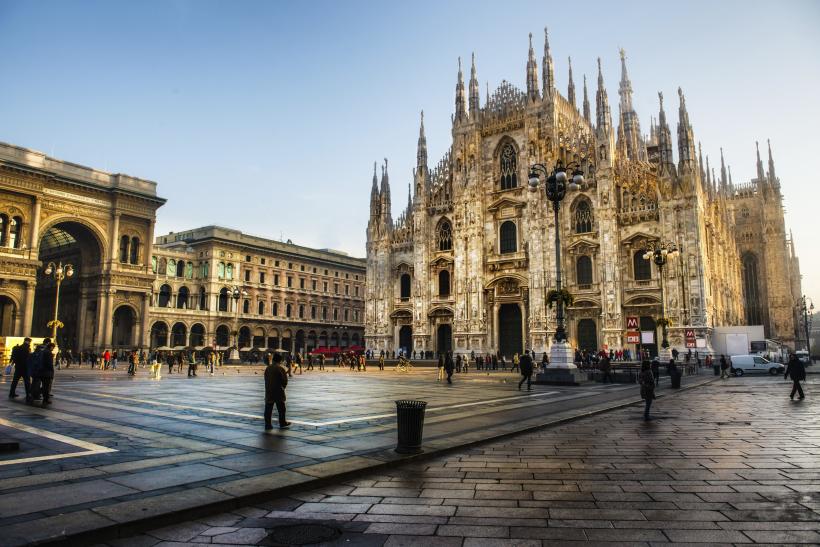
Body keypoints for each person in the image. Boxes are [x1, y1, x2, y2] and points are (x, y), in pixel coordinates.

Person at [264, 352, 291, 430]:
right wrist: (283, 387)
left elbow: (265, 378)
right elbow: (285, 381)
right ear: (280, 361)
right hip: (278, 391)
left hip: (269, 391)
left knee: (268, 409)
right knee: (281, 409)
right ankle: (282, 423)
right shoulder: (280, 368)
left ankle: (268, 424)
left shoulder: (268, 368)